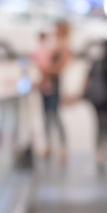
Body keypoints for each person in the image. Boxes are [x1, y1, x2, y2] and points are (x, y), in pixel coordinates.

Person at [39, 21, 72, 162]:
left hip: (53, 82)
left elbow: (60, 66)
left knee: (54, 114)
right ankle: (49, 143)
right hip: (46, 81)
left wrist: (48, 71)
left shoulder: (64, 47)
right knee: (46, 114)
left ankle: (62, 145)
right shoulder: (55, 45)